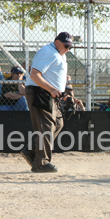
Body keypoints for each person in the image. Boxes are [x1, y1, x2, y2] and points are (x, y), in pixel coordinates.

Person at [20, 31, 73, 173]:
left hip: (50, 94)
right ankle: (41, 162)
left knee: (58, 124)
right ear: (57, 42)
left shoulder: (59, 54)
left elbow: (57, 76)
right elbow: (35, 75)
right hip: (40, 92)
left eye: (69, 47)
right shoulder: (48, 52)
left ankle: (32, 151)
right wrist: (52, 89)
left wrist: (64, 92)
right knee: (46, 127)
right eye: (65, 45)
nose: (67, 49)